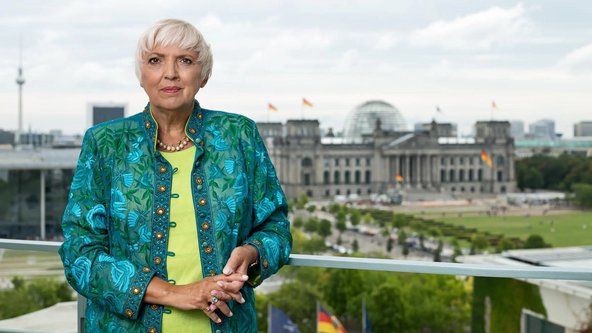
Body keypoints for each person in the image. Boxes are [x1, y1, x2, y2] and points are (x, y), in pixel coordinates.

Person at [59, 18, 292, 333]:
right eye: (155, 60)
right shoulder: (106, 144)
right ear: (141, 75)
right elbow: (79, 254)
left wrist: (252, 253)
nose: (170, 72)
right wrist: (179, 294)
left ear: (203, 75)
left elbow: (276, 229)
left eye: (185, 60)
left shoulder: (239, 135)